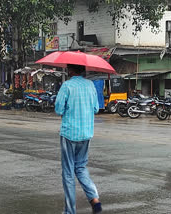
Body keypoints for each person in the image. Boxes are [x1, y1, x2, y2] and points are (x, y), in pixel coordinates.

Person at [55, 64, 102, 214]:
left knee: (68, 172)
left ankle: (70, 211)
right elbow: (96, 108)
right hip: (86, 133)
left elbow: (58, 109)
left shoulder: (67, 86)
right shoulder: (90, 85)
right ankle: (94, 198)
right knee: (81, 167)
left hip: (69, 133)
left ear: (71, 71)